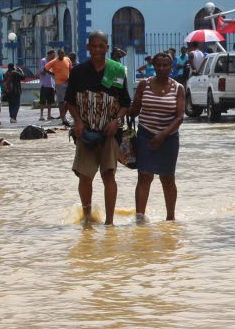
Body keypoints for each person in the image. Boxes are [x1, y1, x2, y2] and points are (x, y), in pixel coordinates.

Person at [66, 31, 131, 225]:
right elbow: (69, 102)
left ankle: (109, 222)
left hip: (110, 133)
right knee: (85, 176)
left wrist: (116, 121)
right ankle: (87, 216)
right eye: (93, 46)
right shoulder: (78, 72)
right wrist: (77, 121)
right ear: (88, 48)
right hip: (85, 132)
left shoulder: (118, 70)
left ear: (107, 48)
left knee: (108, 174)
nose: (97, 50)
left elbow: (125, 103)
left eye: (101, 46)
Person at [126, 51, 184, 221]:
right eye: (158, 65)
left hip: (169, 138)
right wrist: (121, 109)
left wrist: (163, 135)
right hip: (145, 136)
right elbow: (135, 110)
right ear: (153, 66)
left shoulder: (178, 88)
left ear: (171, 67)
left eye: (165, 65)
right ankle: (140, 217)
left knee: (167, 178)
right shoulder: (145, 84)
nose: (161, 68)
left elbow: (180, 117)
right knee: (145, 176)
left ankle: (170, 218)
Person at [45, 47, 73, 127]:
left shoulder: (67, 59)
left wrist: (70, 77)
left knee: (68, 100)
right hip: (59, 83)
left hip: (67, 82)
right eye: (60, 54)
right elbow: (45, 68)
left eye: (63, 54)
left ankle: (63, 116)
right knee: (62, 102)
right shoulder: (54, 61)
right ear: (58, 54)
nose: (61, 55)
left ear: (64, 54)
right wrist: (53, 74)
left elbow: (71, 69)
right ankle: (63, 118)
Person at [38, 50, 56, 121]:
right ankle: (41, 115)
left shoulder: (53, 62)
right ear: (49, 55)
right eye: (53, 56)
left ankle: (49, 115)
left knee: (50, 101)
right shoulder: (43, 61)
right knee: (43, 101)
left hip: (51, 84)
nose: (54, 57)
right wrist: (47, 69)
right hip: (44, 84)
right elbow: (42, 71)